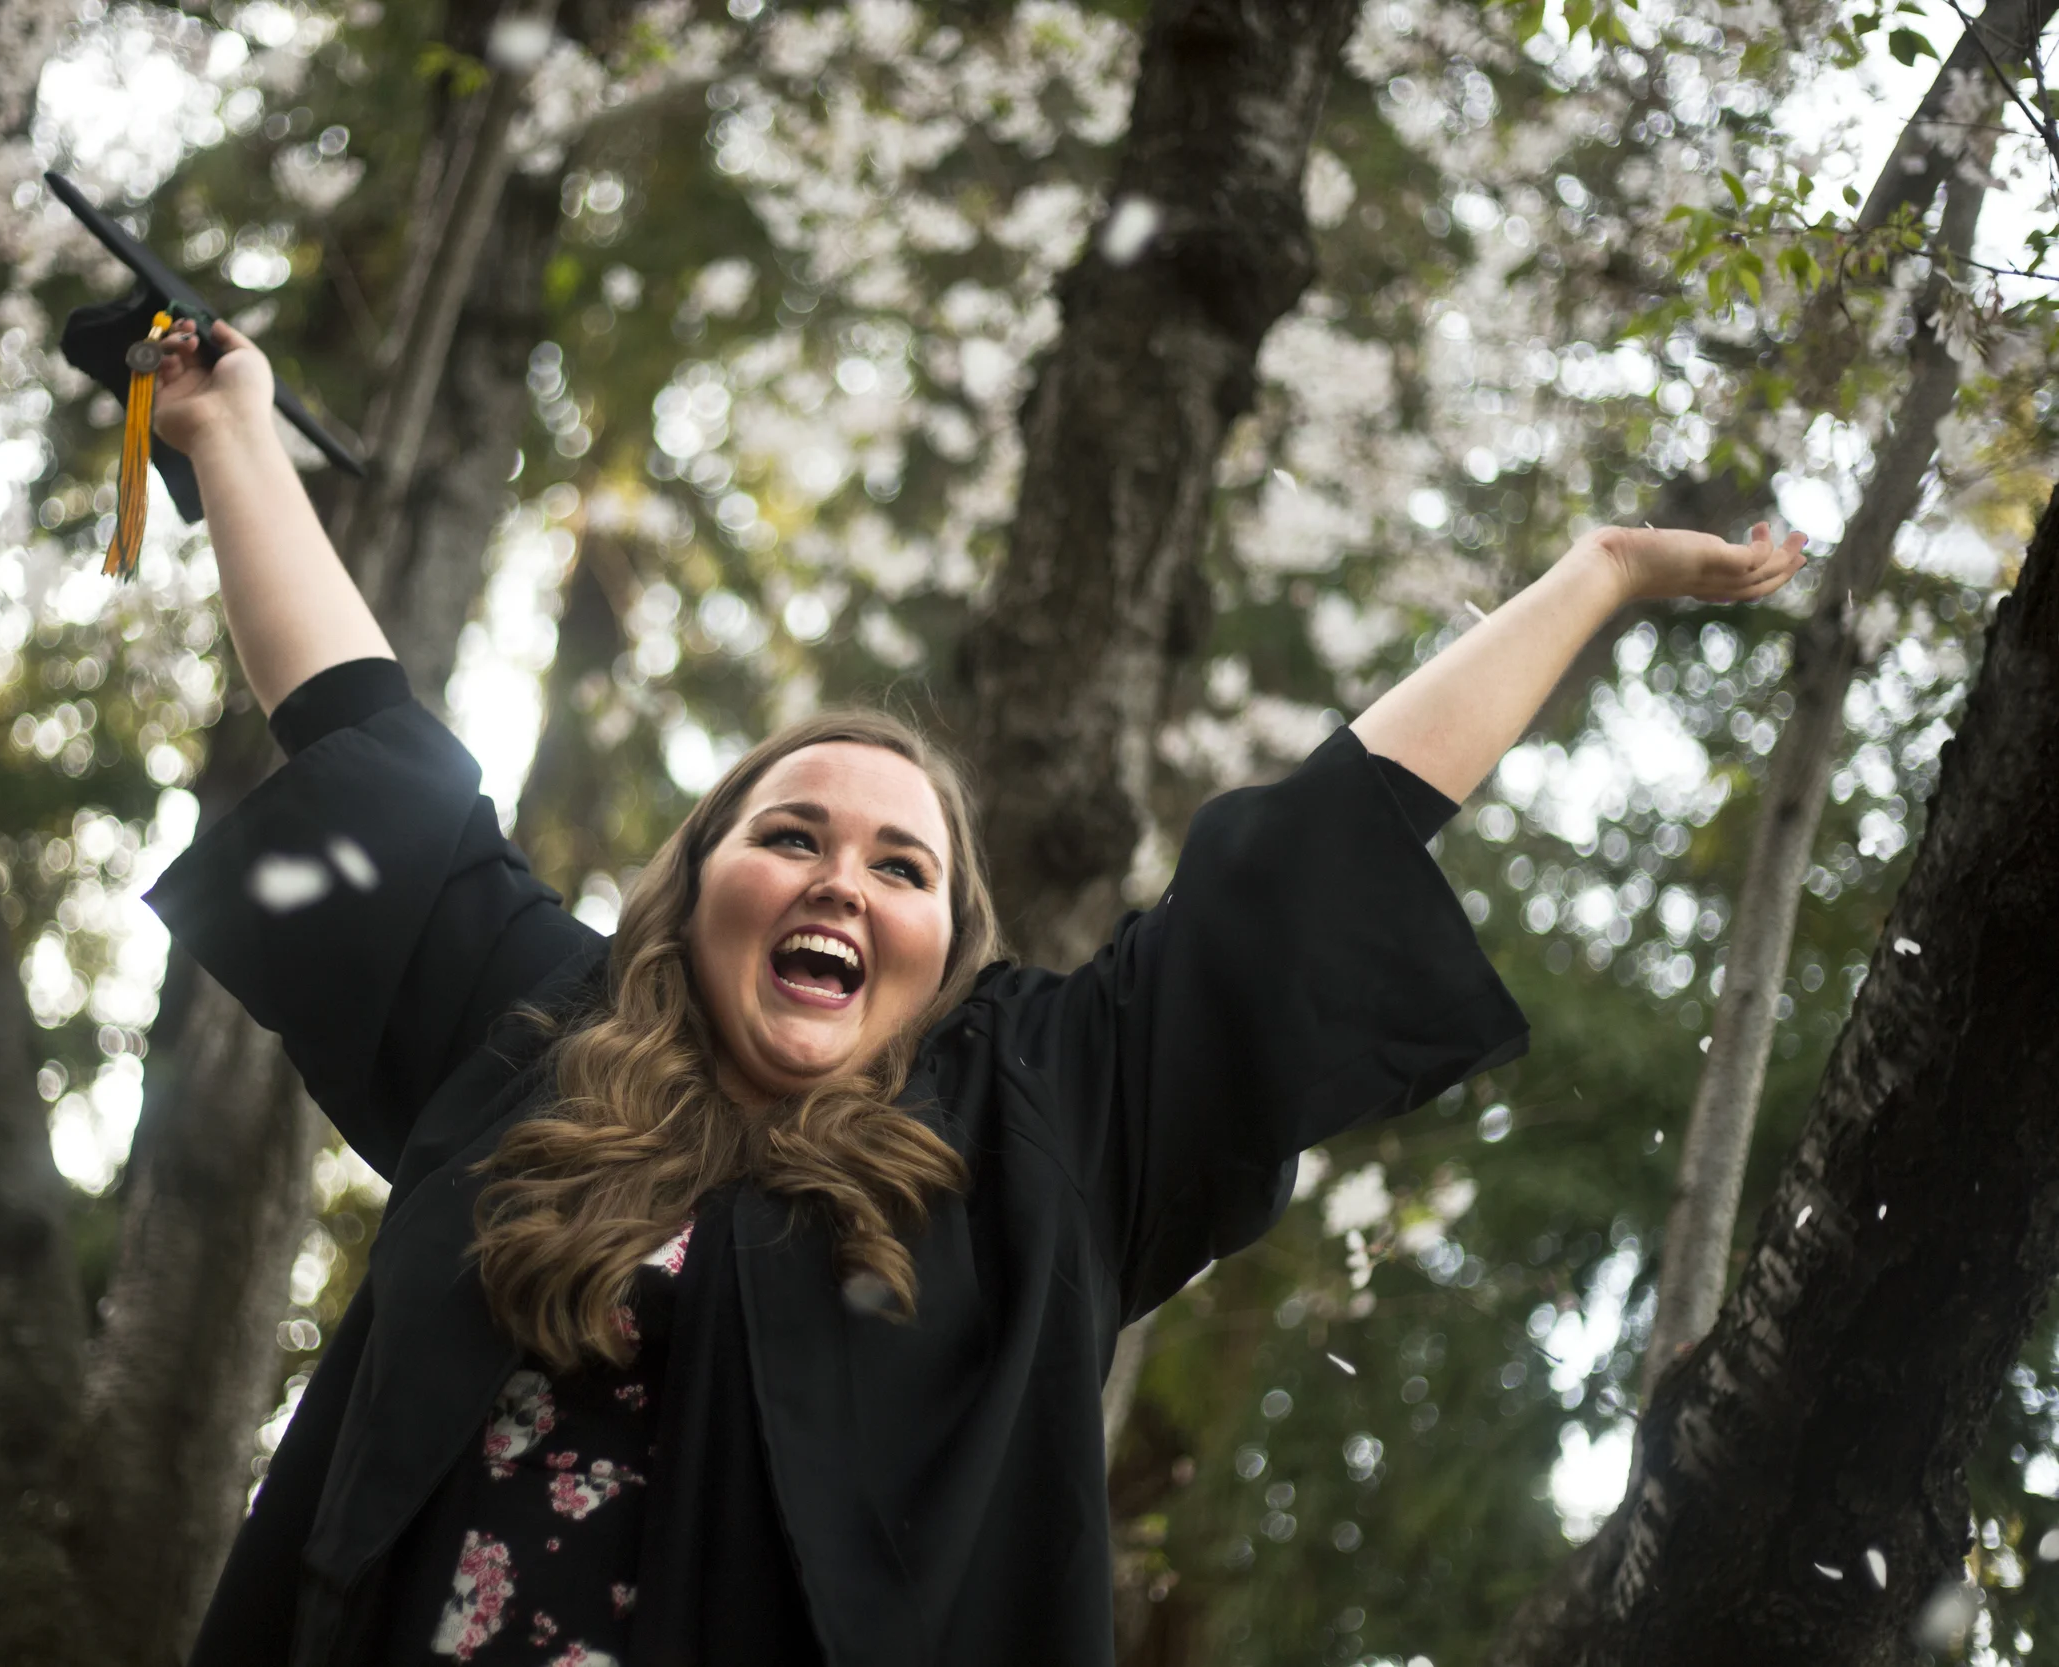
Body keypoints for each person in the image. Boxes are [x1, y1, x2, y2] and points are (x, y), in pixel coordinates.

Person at [141, 318, 1808, 1667]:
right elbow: (372, 747)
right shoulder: (543, 1046)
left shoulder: (1032, 1130)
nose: (839, 881)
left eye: (900, 864)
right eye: (790, 834)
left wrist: (1590, 575)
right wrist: (225, 428)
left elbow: (1313, 853)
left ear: (950, 950)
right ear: (694, 886)